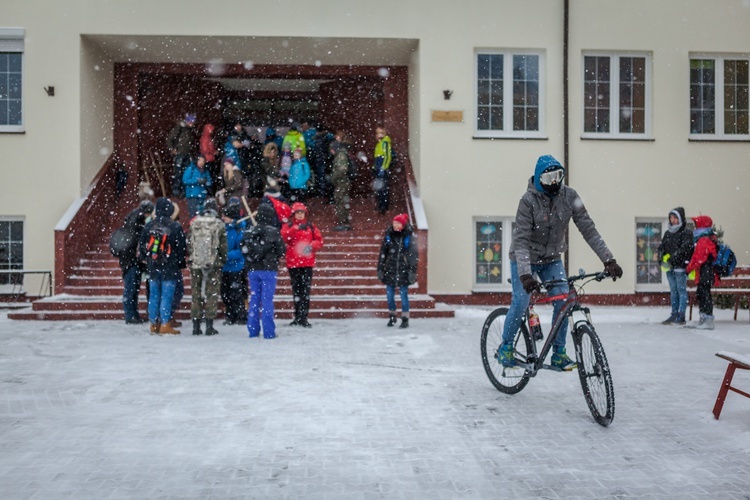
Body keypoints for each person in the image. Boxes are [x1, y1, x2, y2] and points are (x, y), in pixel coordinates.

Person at [498, 155, 623, 371]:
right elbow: (521, 241)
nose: (554, 183)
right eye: (548, 178)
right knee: (521, 300)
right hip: (524, 258)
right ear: (539, 179)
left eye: (557, 177)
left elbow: (588, 229)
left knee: (564, 300)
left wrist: (608, 259)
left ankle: (558, 353)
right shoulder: (527, 202)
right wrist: (526, 275)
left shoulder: (569, 197)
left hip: (551, 259)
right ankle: (506, 347)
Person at [139, 197, 187, 335]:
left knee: (154, 295)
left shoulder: (149, 226)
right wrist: (179, 263)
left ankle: (154, 324)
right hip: (169, 266)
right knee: (167, 295)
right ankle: (165, 323)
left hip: (153, 266)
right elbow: (181, 248)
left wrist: (147, 259)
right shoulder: (175, 226)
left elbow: (142, 246)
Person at [242, 203, 287, 339]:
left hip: (253, 269)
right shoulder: (273, 232)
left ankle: (253, 330)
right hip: (269, 270)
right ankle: (269, 331)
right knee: (267, 300)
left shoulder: (250, 231)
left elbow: (243, 249)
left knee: (254, 299)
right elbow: (281, 250)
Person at [186, 198, 227, 336]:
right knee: (212, 293)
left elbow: (190, 242)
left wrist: (192, 257)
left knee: (196, 293)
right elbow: (223, 246)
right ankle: (209, 325)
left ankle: (196, 326)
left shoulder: (195, 222)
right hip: (213, 263)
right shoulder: (219, 224)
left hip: (196, 262)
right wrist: (222, 259)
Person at [281, 203, 324, 327]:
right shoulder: (288, 226)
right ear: (293, 214)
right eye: (297, 213)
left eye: (302, 212)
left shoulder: (311, 226)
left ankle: (303, 317)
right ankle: (297, 316)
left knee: (305, 291)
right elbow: (285, 237)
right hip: (293, 263)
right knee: (296, 291)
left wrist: (311, 246)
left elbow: (319, 240)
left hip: (307, 263)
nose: (300, 215)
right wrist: (294, 228)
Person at [115, 200, 154, 324]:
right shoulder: (137, 224)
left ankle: (132, 314)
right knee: (131, 289)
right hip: (132, 261)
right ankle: (131, 315)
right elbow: (137, 243)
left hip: (130, 261)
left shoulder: (131, 222)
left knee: (131, 289)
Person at [377, 213, 418, 328]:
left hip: (403, 270)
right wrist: (380, 269)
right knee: (389, 296)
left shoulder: (409, 237)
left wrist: (412, 271)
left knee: (403, 295)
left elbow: (413, 255)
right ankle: (392, 316)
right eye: (394, 223)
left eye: (397, 223)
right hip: (390, 269)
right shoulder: (389, 235)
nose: (395, 225)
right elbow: (382, 254)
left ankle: (405, 318)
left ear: (403, 224)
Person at [657, 207, 694, 325]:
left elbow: (686, 249)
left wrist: (674, 258)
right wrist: (660, 256)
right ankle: (674, 313)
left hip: (680, 267)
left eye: (675, 218)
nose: (672, 220)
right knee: (673, 290)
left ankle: (681, 314)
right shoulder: (668, 233)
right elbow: (662, 247)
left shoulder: (686, 233)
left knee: (681, 290)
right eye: (671, 218)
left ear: (680, 218)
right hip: (669, 267)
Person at [685, 215, 719, 330]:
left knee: (704, 294)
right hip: (706, 271)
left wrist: (688, 268)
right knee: (702, 293)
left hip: (705, 271)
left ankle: (707, 320)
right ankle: (703, 319)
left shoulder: (703, 239)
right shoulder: (706, 237)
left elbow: (698, 258)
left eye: (696, 224)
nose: (695, 226)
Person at [220, 198, 248, 325]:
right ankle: (230, 315)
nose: (223, 218)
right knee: (225, 293)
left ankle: (240, 316)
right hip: (224, 267)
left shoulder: (239, 231)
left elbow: (241, 250)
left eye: (225, 216)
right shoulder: (223, 230)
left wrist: (226, 255)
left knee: (236, 293)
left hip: (236, 267)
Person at [166, 113, 196, 198]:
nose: (192, 123)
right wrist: (172, 149)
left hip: (186, 154)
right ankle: (177, 192)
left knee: (186, 174)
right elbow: (169, 139)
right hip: (179, 154)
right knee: (178, 174)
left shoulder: (189, 130)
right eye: (190, 121)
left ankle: (183, 192)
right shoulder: (179, 129)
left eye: (193, 122)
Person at [330, 137, 353, 231]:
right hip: (343, 182)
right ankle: (345, 222)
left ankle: (343, 223)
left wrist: (333, 178)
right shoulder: (342, 154)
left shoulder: (340, 156)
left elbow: (342, 169)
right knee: (342, 201)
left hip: (342, 182)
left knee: (340, 202)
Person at [372, 125, 392, 214]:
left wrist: (383, 167)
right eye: (377, 133)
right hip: (378, 168)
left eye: (380, 133)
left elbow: (387, 156)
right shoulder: (380, 143)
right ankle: (380, 205)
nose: (378, 135)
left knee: (383, 189)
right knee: (380, 189)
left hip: (382, 168)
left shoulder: (385, 142)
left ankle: (383, 207)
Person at [199, 123, 219, 194]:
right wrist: (213, 152)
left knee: (211, 175)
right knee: (209, 175)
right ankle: (210, 191)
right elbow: (205, 150)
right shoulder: (205, 138)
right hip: (208, 159)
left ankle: (211, 190)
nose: (211, 131)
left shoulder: (208, 138)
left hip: (210, 158)